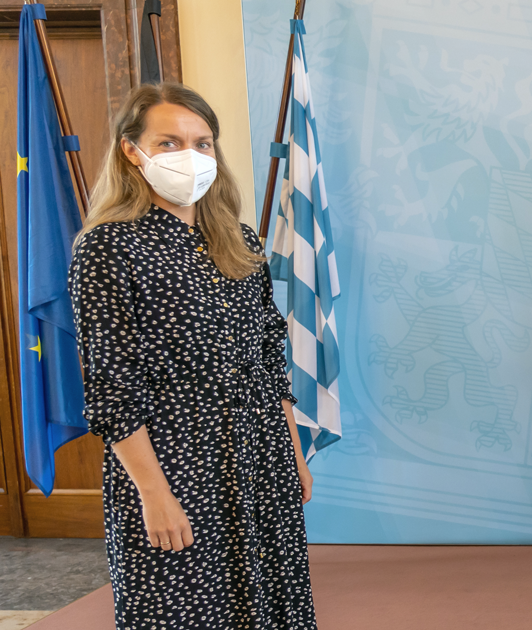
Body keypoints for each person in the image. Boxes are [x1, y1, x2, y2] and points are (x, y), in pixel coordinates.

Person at [68, 83, 318, 629]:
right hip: (176, 462)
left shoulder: (240, 240)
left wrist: (294, 452)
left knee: (272, 608)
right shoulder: (108, 247)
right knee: (183, 609)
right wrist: (153, 494)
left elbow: (268, 358)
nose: (190, 155)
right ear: (131, 150)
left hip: (260, 452)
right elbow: (111, 387)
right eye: (169, 142)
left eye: (202, 143)